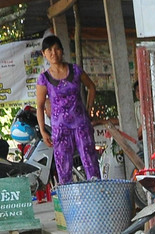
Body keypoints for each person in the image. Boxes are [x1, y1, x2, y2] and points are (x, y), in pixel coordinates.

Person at [36, 35, 100, 185]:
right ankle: (67, 198)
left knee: (90, 162)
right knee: (63, 167)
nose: (53, 53)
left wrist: (88, 110)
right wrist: (43, 131)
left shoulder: (75, 70)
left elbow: (91, 87)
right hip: (60, 129)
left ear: (62, 51)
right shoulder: (44, 78)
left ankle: (97, 194)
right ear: (44, 54)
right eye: (49, 50)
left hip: (81, 124)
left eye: (57, 49)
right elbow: (39, 106)